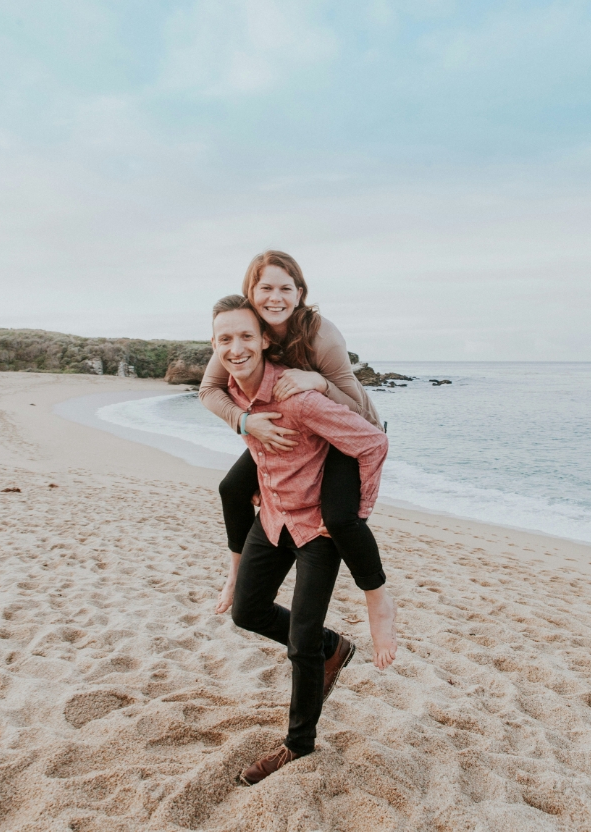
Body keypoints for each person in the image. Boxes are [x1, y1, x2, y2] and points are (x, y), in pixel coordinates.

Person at [210, 294, 392, 785]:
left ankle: (298, 746)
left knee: (300, 641)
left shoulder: (297, 395)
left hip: (317, 527)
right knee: (248, 611)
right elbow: (214, 399)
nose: (236, 347)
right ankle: (333, 648)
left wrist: (355, 514)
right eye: (225, 339)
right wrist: (246, 425)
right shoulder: (232, 389)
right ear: (214, 344)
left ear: (266, 341)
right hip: (272, 517)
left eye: (246, 336)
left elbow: (372, 441)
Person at [201, 250, 397, 668]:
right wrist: (245, 423)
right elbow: (210, 392)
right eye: (265, 288)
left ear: (300, 293)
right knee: (232, 488)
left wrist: (319, 382)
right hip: (292, 426)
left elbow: (357, 409)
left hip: (347, 431)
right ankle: (235, 574)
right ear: (250, 293)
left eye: (285, 288)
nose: (275, 298)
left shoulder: (321, 334)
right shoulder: (242, 330)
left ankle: (378, 600)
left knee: (341, 518)